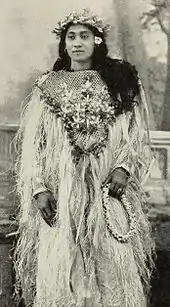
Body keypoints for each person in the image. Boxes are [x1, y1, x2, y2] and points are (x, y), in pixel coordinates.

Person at [14, 8, 155, 307]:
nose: (77, 43)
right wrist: (39, 188)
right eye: (71, 37)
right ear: (64, 44)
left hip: (107, 187)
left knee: (111, 257)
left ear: (97, 41)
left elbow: (135, 131)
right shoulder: (48, 86)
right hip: (62, 187)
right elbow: (35, 144)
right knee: (64, 257)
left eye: (84, 36)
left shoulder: (120, 81)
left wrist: (123, 167)